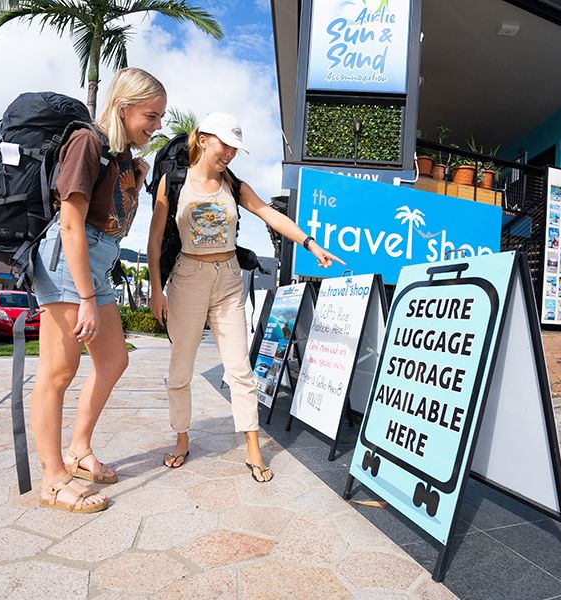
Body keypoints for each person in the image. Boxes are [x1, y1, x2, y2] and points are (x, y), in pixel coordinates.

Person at [147, 112, 343, 482]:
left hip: (228, 280)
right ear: (203, 139)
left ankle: (252, 446)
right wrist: (156, 289)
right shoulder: (173, 183)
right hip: (187, 278)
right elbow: (155, 239)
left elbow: (269, 214)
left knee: (240, 368)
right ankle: (182, 437)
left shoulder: (234, 185)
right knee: (180, 369)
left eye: (235, 149)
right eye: (225, 145)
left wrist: (310, 243)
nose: (230, 155)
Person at [30, 68, 166, 512]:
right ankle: (52, 479)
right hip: (70, 260)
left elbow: (113, 219)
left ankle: (79, 450)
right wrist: (86, 298)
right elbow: (70, 223)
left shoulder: (123, 157)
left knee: (113, 359)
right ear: (123, 108)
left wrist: (134, 173)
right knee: (58, 373)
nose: (158, 125)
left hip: (99, 261)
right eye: (151, 115)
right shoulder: (87, 142)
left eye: (161, 117)